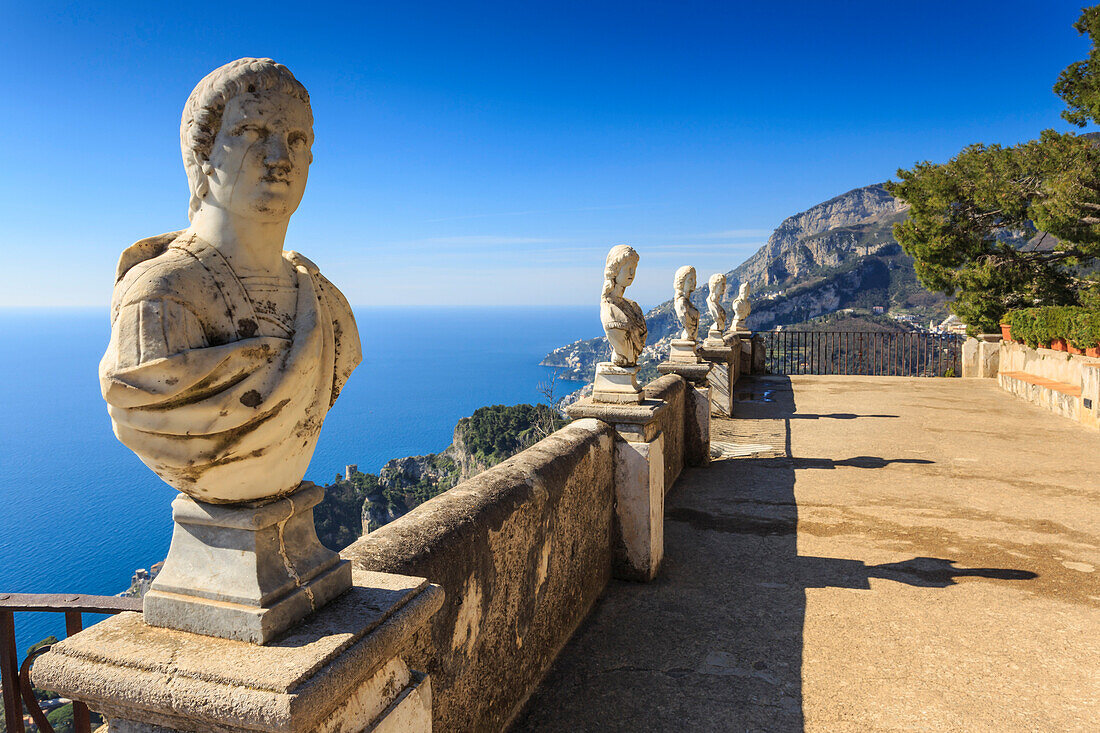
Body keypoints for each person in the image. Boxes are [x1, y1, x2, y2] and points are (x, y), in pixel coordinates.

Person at [99, 58, 361, 505]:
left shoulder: (324, 301)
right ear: (202, 157)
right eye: (252, 133)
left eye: (295, 140)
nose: (280, 158)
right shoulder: (160, 296)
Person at [600, 245, 647, 366]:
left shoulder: (633, 306)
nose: (632, 272)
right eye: (628, 268)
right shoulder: (610, 310)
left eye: (634, 268)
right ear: (615, 270)